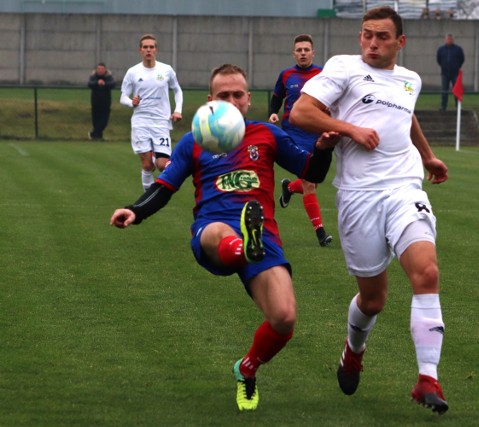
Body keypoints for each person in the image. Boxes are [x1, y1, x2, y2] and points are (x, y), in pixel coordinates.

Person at [110, 64, 337, 412]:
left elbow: (312, 172)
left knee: (284, 318)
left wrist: (322, 148)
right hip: (212, 232)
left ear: (248, 100)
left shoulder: (266, 135)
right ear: (210, 100)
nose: (231, 100)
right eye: (223, 95)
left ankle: (246, 368)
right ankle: (242, 239)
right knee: (223, 232)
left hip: (264, 240)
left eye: (237, 94)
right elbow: (164, 187)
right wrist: (135, 211)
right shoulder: (195, 141)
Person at [290, 6, 450, 414]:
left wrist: (428, 157)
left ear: (400, 42)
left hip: (403, 187)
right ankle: (353, 351)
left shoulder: (410, 79)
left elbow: (405, 116)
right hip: (358, 196)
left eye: (381, 36)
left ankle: (427, 378)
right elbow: (302, 112)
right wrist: (350, 129)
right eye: (366, 35)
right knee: (373, 299)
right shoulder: (343, 67)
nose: (372, 43)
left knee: (427, 271)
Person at [268, 34, 333, 247]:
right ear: (294, 53)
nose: (303, 53)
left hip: (315, 131)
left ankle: (289, 188)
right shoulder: (286, 75)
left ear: (313, 52)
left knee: (311, 180)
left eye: (306, 49)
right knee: (309, 181)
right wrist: (273, 113)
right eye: (299, 50)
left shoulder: (323, 73)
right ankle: (320, 232)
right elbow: (277, 96)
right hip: (293, 132)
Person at [120, 34, 183, 190]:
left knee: (163, 165)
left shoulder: (166, 70)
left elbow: (177, 90)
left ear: (156, 50)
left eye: (151, 47)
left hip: (161, 122)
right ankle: (148, 198)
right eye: (145, 47)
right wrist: (131, 102)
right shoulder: (133, 72)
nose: (148, 50)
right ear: (140, 50)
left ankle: (156, 157)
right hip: (140, 122)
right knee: (147, 165)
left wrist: (177, 110)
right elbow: (123, 97)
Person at [436, 33, 464, 112]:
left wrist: (456, 67)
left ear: (453, 40)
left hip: (455, 73)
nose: (449, 40)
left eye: (451, 39)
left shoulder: (458, 49)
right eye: (448, 39)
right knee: (444, 90)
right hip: (445, 73)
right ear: (445, 40)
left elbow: (462, 59)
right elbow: (438, 59)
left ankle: (458, 107)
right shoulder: (441, 49)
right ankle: (443, 107)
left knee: (456, 91)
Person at [87, 62, 116, 140]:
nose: (100, 71)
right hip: (95, 102)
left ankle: (93, 134)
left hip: (105, 102)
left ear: (105, 70)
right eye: (98, 69)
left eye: (102, 69)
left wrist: (105, 84)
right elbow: (89, 84)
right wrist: (97, 83)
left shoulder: (108, 77)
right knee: (95, 120)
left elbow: (113, 84)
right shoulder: (93, 76)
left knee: (104, 121)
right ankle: (98, 136)